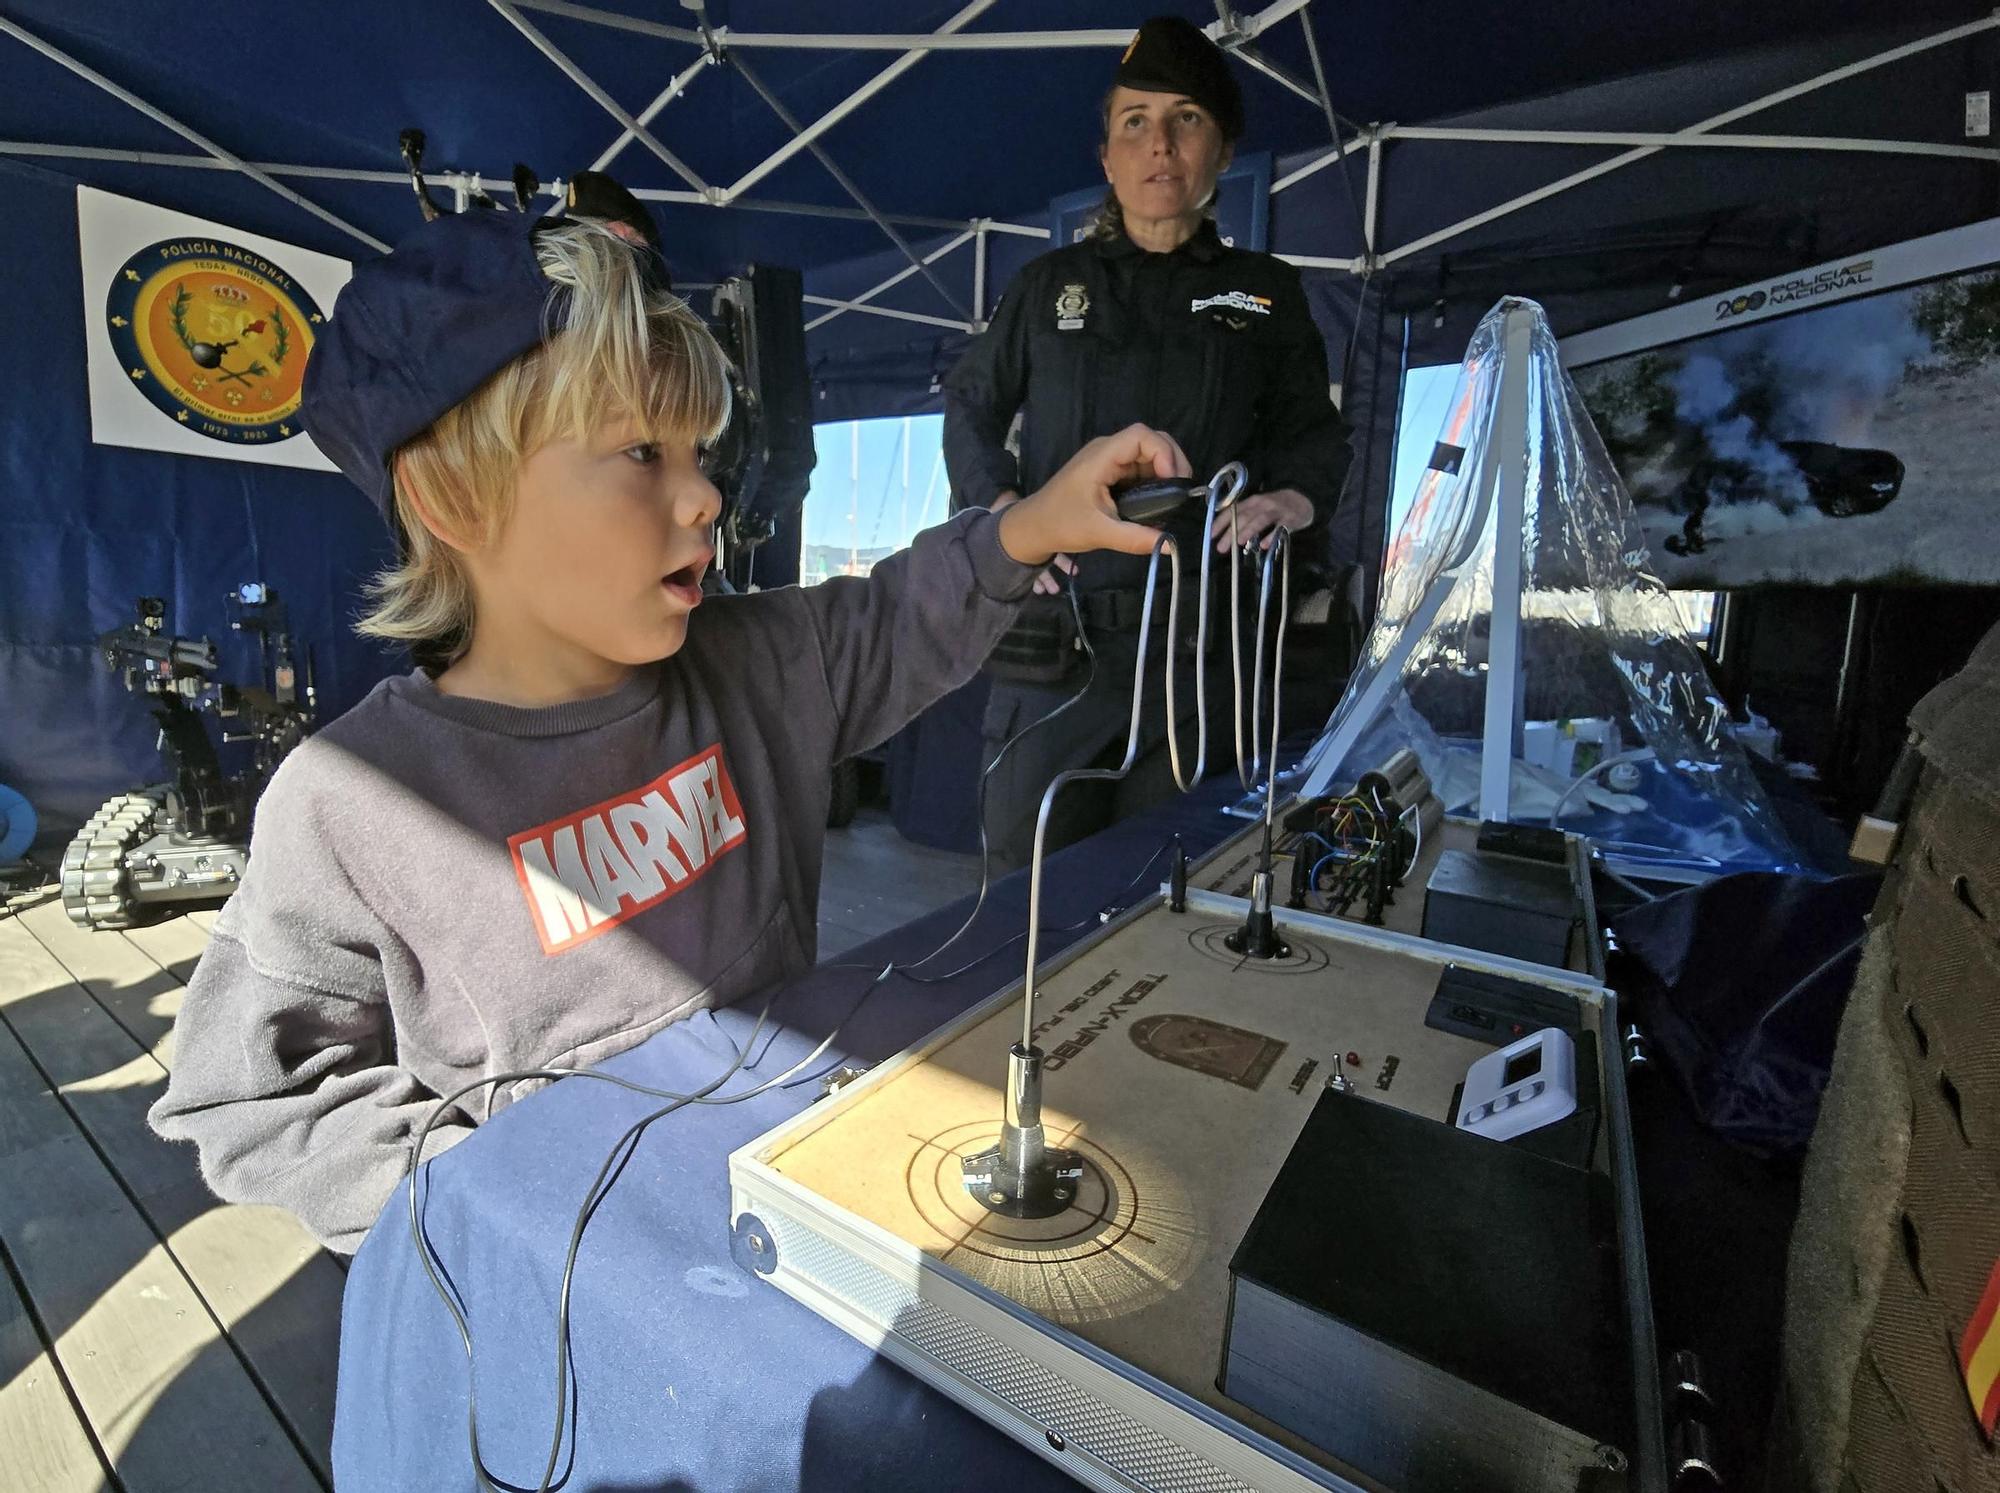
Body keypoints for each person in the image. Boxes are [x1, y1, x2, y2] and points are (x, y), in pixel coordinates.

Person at [145, 204, 1181, 1251]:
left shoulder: (756, 667)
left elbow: (894, 616)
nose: (703, 497)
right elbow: (253, 1099)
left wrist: (1029, 525)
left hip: (777, 1211)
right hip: (570, 1299)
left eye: (698, 452)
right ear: (454, 495)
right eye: (642, 451)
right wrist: (494, 1192)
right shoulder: (352, 800)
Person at [943, 14, 1351, 870]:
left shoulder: (1266, 297)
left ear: (1223, 152)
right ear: (1108, 159)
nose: (1158, 143)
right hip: (1056, 643)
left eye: (1185, 120)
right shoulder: (1045, 288)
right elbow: (971, 408)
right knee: (1025, 877)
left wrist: (1291, 499)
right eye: (1135, 123)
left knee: (1170, 886)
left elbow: (1317, 439)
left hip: (1198, 659)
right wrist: (1008, 511)